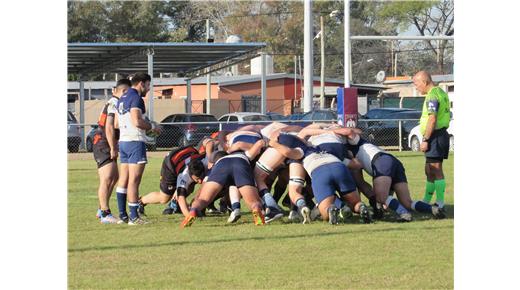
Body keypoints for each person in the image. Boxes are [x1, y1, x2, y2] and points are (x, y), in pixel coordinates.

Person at [343, 133, 446, 221]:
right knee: (407, 202)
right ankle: (432, 209)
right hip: (394, 161)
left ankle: (403, 213)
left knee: (381, 197)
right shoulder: (358, 146)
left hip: (381, 161)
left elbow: (361, 183)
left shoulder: (351, 143)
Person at [181, 139, 267, 228]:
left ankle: (193, 210)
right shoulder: (245, 154)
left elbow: (203, 188)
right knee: (253, 201)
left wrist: (196, 200)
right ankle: (256, 209)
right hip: (241, 163)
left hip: (221, 165)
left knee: (203, 199)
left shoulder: (217, 163)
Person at [114, 73, 161, 225]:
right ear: (141, 83)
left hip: (124, 141)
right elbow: (137, 121)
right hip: (135, 141)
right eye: (147, 85)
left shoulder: (122, 97)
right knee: (134, 181)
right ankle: (134, 217)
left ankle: (123, 216)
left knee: (124, 179)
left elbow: (116, 124)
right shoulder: (136, 98)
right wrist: (153, 126)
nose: (148, 89)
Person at [93, 79, 131, 224]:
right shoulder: (114, 103)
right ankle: (105, 213)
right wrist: (114, 147)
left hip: (107, 142)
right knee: (107, 178)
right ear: (123, 92)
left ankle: (101, 209)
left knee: (114, 177)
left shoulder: (115, 102)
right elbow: (109, 127)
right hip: (103, 143)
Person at [413, 71, 451, 209]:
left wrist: (425, 139)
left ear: (424, 82)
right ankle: (426, 200)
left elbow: (432, 118)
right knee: (429, 169)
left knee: (435, 169)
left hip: (435, 136)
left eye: (416, 84)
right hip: (438, 135)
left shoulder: (432, 96)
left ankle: (440, 202)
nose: (416, 87)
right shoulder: (440, 92)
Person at [138, 146, 207, 218]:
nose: (200, 181)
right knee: (164, 198)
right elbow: (181, 197)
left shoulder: (205, 163)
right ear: (190, 174)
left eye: (201, 177)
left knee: (190, 186)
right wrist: (189, 216)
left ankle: (175, 205)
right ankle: (140, 202)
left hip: (185, 155)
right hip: (170, 164)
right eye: (197, 179)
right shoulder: (183, 176)